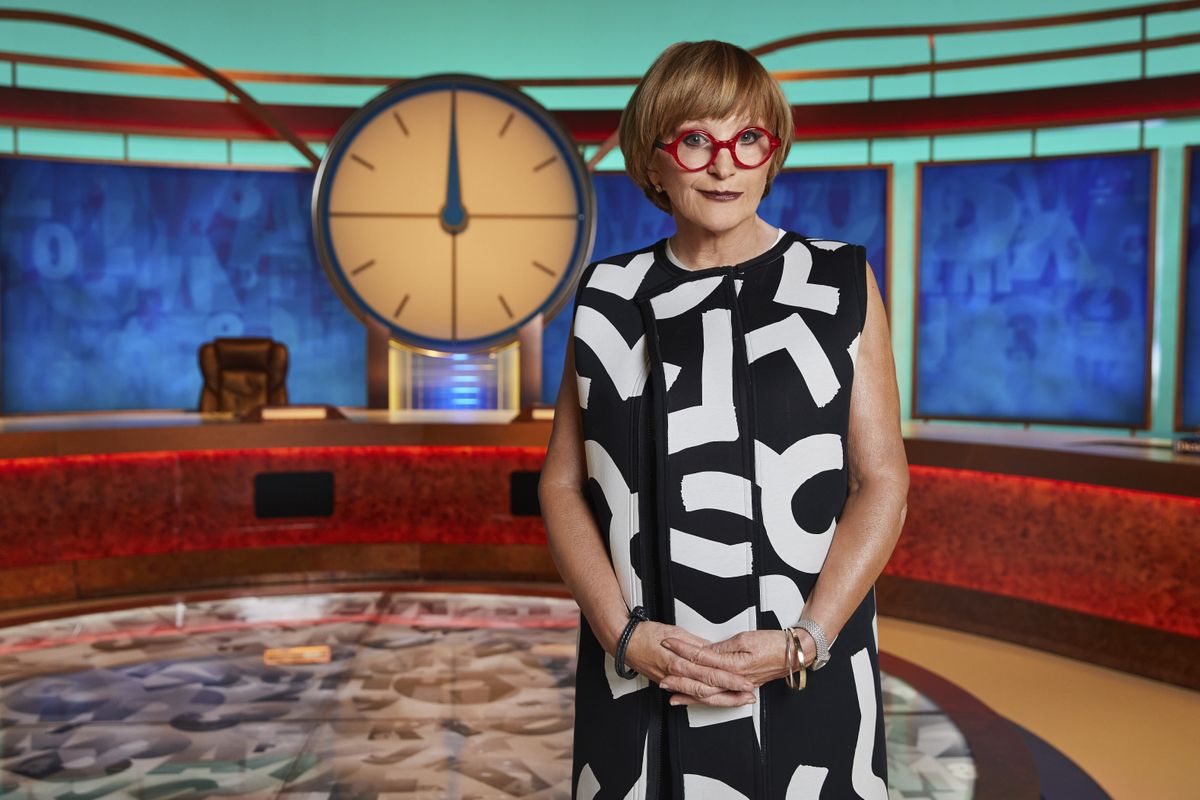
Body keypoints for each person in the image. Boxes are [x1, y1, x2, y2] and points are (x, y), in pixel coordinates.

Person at [539, 39, 908, 799]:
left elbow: (882, 481)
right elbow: (563, 485)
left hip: (806, 662)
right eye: (696, 139)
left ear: (772, 154)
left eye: (748, 139)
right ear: (653, 159)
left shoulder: (838, 279)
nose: (723, 164)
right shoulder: (607, 293)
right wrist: (624, 636)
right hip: (640, 668)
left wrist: (806, 642)